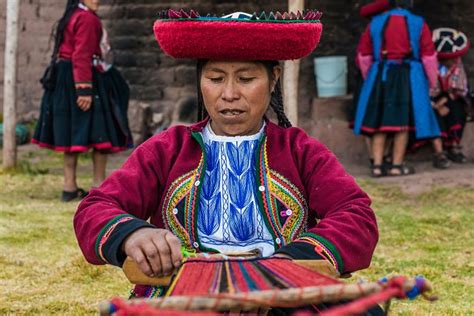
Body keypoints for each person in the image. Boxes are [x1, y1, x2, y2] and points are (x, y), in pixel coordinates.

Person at [74, 9, 379, 313]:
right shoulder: (167, 149)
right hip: (184, 300)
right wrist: (133, 234)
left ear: (273, 79)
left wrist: (285, 267)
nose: (229, 94)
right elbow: (95, 208)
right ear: (200, 81)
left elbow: (356, 215)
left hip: (284, 296)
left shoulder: (300, 151)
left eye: (246, 78)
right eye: (215, 78)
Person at [32, 0, 132, 201]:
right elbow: (81, 54)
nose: (97, 0)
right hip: (82, 78)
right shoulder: (86, 18)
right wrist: (84, 89)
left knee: (71, 135)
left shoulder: (73, 14)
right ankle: (99, 186)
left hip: (66, 78)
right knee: (102, 135)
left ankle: (69, 187)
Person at [353, 0, 441, 177]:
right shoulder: (418, 22)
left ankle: (377, 166)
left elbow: (364, 55)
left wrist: (370, 78)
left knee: (379, 123)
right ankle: (396, 166)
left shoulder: (375, 23)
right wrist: (433, 82)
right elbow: (429, 56)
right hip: (407, 76)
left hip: (380, 75)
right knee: (402, 124)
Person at [431, 27, 471, 164]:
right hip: (430, 99)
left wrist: (441, 103)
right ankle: (439, 152)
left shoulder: (457, 64)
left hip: (451, 97)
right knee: (434, 114)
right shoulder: (431, 66)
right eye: (451, 58)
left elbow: (458, 89)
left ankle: (454, 147)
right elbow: (427, 90)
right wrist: (436, 106)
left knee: (456, 109)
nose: (455, 60)